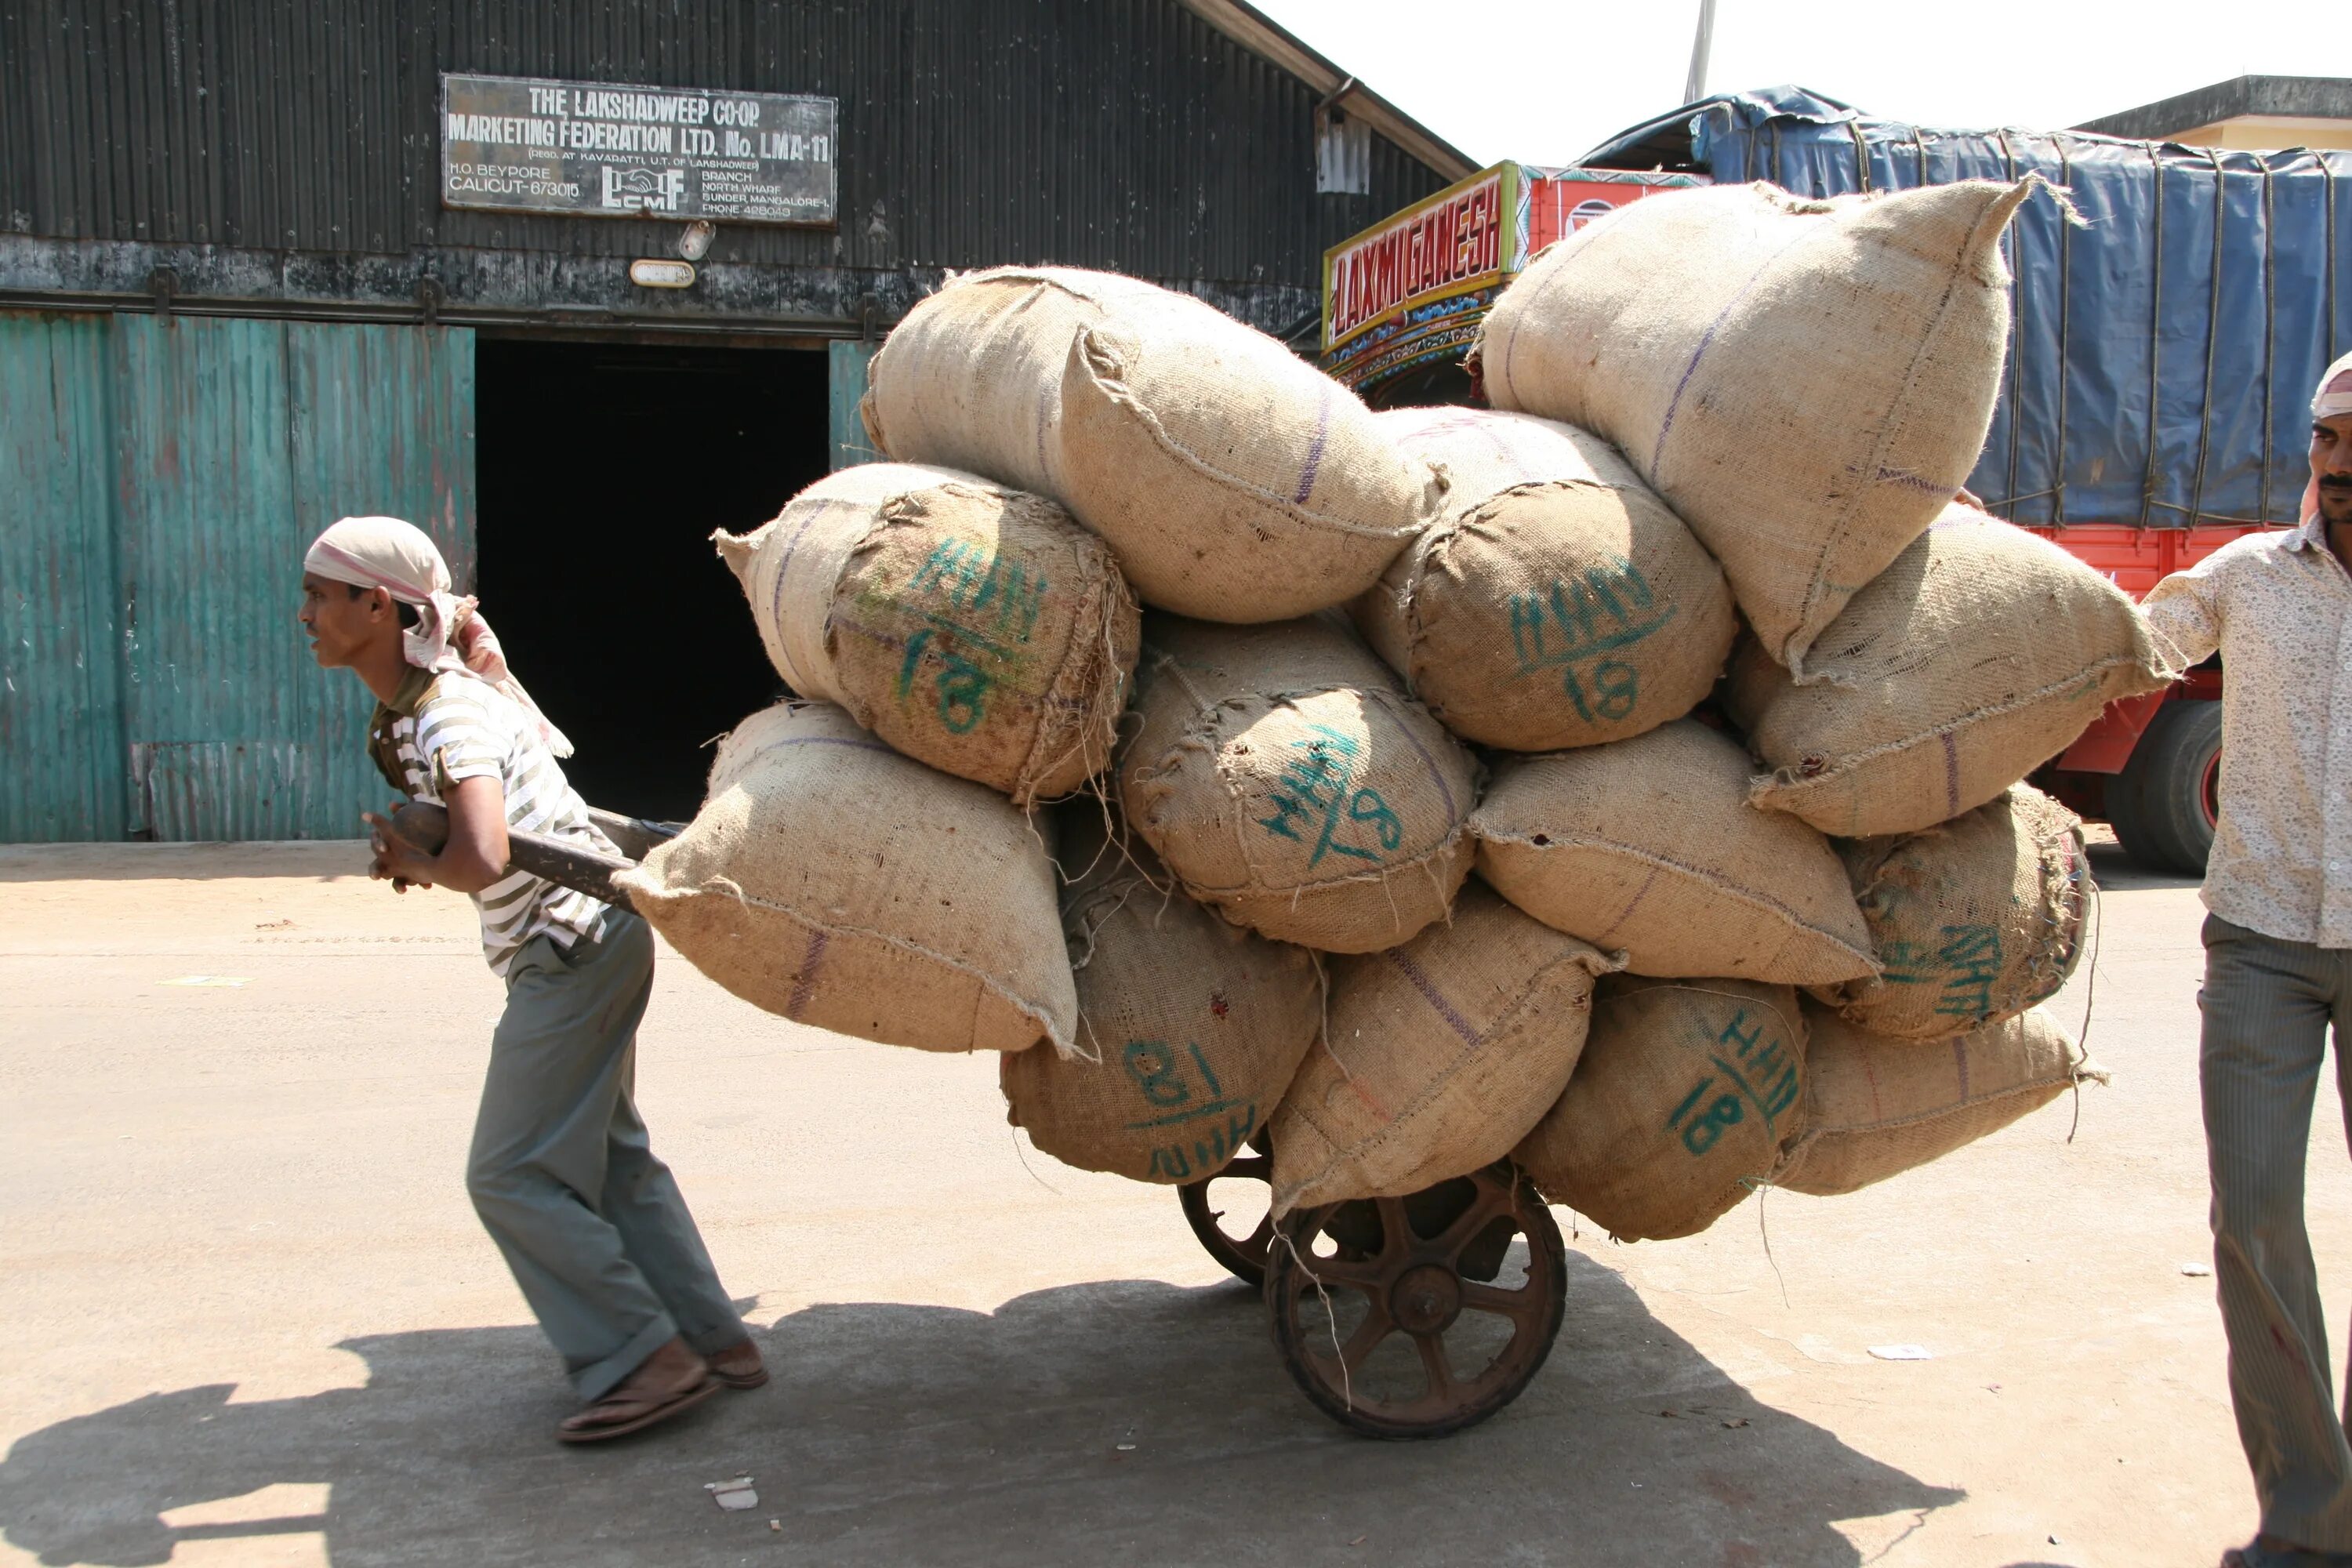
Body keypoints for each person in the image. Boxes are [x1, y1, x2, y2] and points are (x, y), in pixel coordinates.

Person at [297, 515, 763, 1443]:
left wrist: (417, 860)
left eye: (319, 594)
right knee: (609, 1156)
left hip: (569, 949)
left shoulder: (446, 710)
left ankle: (643, 1356)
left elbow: (483, 847)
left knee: (509, 1173)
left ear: (377, 605)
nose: (304, 613)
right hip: (594, 936)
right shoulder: (440, 691)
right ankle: (713, 1337)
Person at [2143, 350, 2352, 1568]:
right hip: (2264, 943)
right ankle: (2310, 1518)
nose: (2336, 470)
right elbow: (2132, 641)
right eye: (2326, 447)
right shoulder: (2252, 580)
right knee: (2258, 1215)